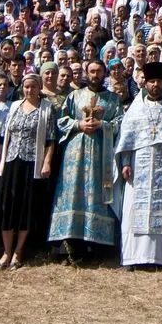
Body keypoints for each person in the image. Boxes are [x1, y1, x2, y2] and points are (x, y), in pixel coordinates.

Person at [48, 59, 124, 261]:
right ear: (85, 73)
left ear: (104, 74)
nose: (95, 75)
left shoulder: (113, 99)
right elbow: (61, 121)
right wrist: (79, 124)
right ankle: (69, 244)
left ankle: (96, 246)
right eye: (91, 71)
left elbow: (121, 123)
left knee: (98, 196)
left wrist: (103, 125)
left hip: (102, 154)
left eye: (99, 71)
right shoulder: (74, 96)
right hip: (75, 154)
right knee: (72, 194)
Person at [115, 62, 162, 268]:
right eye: (151, 81)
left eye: (159, 81)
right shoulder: (135, 110)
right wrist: (125, 162)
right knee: (134, 209)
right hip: (138, 164)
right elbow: (127, 138)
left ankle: (159, 257)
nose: (155, 85)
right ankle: (134, 257)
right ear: (145, 83)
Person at [0, 74, 56, 269]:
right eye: (26, 87)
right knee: (8, 206)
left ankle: (18, 251)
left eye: (33, 87)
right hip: (12, 161)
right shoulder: (14, 107)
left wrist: (46, 162)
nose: (29, 90)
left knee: (25, 207)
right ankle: (6, 251)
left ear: (39, 88)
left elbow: (50, 139)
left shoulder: (46, 109)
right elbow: (3, 135)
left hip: (32, 163)